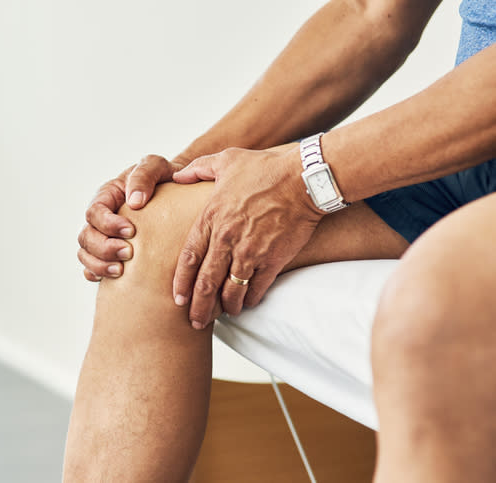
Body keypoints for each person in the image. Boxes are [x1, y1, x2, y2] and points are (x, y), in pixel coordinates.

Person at [64, 0, 496, 481]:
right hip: (461, 166)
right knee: (153, 235)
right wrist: (183, 174)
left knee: (438, 297)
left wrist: (304, 181)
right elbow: (370, 12)